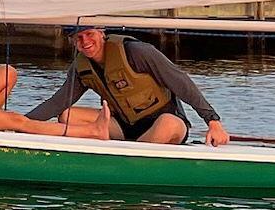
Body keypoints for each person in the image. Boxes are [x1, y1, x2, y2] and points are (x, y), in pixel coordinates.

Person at [26, 26, 230, 145]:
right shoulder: (81, 68)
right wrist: (21, 124)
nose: (85, 41)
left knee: (168, 123)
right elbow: (57, 103)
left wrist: (213, 122)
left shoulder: (137, 52)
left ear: (101, 33)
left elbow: (182, 83)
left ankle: (131, 158)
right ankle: (120, 149)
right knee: (67, 115)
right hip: (124, 126)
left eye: (90, 34)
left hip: (164, 123)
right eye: (79, 38)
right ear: (73, 43)